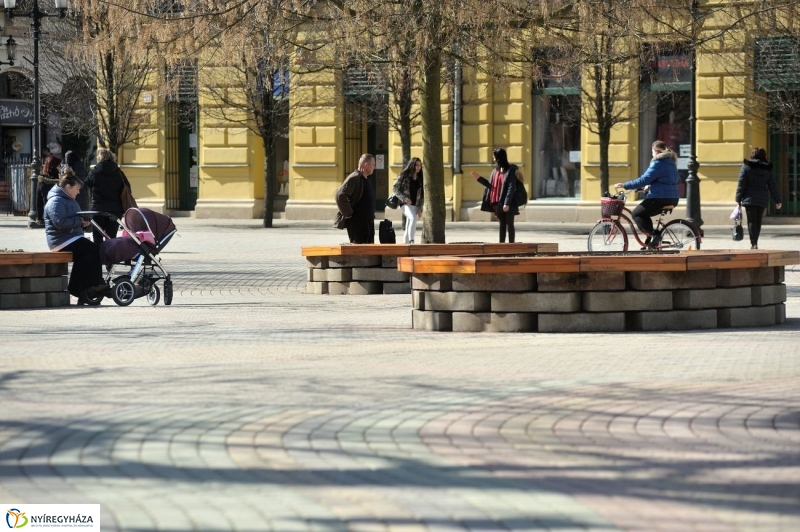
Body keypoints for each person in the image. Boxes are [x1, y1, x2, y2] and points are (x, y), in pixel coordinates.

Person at [43, 168, 105, 305]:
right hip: (60, 240)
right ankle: (92, 285)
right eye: (77, 189)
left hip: (70, 237)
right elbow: (59, 223)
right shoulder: (56, 201)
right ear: (68, 186)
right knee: (92, 249)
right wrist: (79, 221)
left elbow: (73, 218)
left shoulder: (69, 199)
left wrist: (84, 222)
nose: (78, 192)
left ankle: (84, 289)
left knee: (88, 254)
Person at [614, 140, 680, 249]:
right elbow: (667, 180)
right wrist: (649, 186)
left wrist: (624, 185)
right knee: (645, 213)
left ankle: (654, 235)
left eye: (652, 152)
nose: (652, 154)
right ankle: (651, 243)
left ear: (657, 151)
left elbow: (643, 180)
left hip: (659, 198)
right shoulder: (671, 162)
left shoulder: (658, 162)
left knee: (637, 214)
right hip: (673, 198)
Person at [735, 147, 782, 249]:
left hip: (749, 198)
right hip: (762, 199)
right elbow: (772, 185)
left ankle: (754, 243)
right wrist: (777, 200)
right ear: (763, 156)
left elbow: (741, 183)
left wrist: (738, 199)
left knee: (751, 221)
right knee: (758, 221)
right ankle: (755, 241)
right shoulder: (766, 168)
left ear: (753, 155)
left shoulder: (746, 166)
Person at [471, 147, 520, 243]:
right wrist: (479, 178)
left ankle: (512, 246)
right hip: (497, 203)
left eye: (494, 157)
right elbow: (491, 186)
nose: (493, 159)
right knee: (502, 224)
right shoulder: (494, 171)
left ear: (499, 157)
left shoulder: (510, 170)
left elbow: (511, 187)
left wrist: (507, 203)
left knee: (509, 224)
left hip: (508, 203)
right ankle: (501, 245)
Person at [85, 148, 125, 245]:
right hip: (115, 209)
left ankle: (98, 257)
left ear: (100, 158)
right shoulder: (119, 172)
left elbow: (86, 184)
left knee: (97, 235)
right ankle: (110, 257)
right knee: (111, 236)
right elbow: (127, 187)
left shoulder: (94, 172)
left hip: (98, 209)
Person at [336, 153, 376, 244]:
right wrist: (348, 213)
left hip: (368, 221)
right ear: (366, 165)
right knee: (359, 250)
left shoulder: (367, 179)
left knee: (369, 251)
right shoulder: (354, 178)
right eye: (373, 164)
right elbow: (340, 195)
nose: (375, 167)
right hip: (358, 222)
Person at [392, 157, 423, 244]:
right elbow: (395, 188)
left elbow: (422, 196)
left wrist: (420, 208)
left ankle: (405, 244)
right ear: (412, 165)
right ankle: (411, 240)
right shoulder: (404, 176)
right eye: (416, 165)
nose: (418, 167)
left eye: (420, 165)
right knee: (413, 218)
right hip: (404, 204)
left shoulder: (420, 179)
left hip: (415, 205)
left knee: (409, 223)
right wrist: (404, 198)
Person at [35, 144, 62, 227]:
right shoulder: (55, 160)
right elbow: (57, 172)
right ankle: (48, 219)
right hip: (48, 184)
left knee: (40, 202)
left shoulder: (48, 159)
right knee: (47, 202)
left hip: (42, 183)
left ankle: (40, 218)